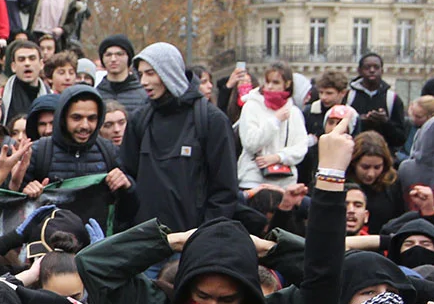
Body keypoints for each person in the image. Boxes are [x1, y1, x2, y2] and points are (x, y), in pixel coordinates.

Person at [115, 42, 238, 231]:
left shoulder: (212, 121)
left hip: (192, 244)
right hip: (145, 242)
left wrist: (204, 236)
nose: (144, 82)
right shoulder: (139, 119)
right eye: (141, 74)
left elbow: (224, 190)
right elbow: (128, 175)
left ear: (169, 73)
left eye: (150, 73)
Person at [19, 85, 128, 229]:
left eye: (92, 118)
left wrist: (126, 187)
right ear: (63, 118)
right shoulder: (39, 152)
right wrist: (27, 191)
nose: (85, 125)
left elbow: (127, 212)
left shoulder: (108, 151)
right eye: (77, 118)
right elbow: (17, 211)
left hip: (98, 245)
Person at [236, 62, 308, 191]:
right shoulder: (251, 106)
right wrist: (275, 121)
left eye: (275, 83)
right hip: (253, 180)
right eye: (267, 82)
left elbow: (301, 147)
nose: (269, 87)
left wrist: (279, 157)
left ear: (287, 84)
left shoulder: (293, 112)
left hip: (285, 181)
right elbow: (250, 143)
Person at [346, 52, 409, 153]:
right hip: (353, 155)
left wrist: (385, 122)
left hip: (383, 157)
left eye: (376, 67)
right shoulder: (348, 96)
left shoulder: (392, 99)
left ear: (382, 70)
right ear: (359, 71)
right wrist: (359, 120)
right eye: (367, 67)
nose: (372, 70)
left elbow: (401, 138)